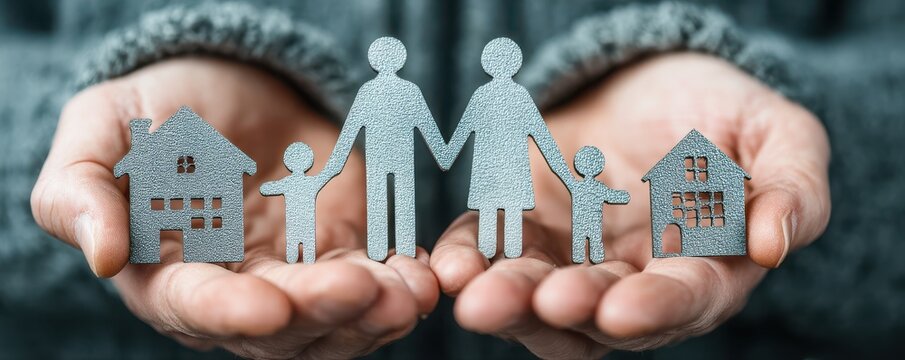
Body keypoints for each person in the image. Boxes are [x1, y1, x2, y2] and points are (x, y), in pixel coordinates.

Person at [7, 1, 903, 359]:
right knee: (410, 213)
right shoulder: (413, 103)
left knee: (503, 218)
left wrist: (820, 146)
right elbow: (405, 126)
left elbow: (470, 129)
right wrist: (53, 139)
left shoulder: (500, 107)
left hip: (519, 186)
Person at [441, 37, 575, 259]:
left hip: (493, 169)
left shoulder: (483, 95)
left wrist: (445, 156)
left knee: (492, 211)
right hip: (510, 169)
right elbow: (543, 137)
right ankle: (504, 250)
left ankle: (494, 250)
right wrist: (565, 174)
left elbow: (462, 132)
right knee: (509, 211)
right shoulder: (518, 95)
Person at [319, 36, 447, 261]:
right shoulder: (408, 90)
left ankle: (381, 248)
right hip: (400, 157)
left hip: (382, 158)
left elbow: (350, 129)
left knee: (380, 198)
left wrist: (336, 163)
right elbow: (427, 126)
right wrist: (443, 154)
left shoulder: (369, 91)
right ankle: (403, 246)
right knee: (400, 198)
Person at [260, 142, 330, 264]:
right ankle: (298, 258)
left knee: (298, 253)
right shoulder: (311, 182)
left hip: (300, 225)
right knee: (301, 253)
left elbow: (266, 188)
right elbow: (326, 174)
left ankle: (296, 258)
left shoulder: (289, 182)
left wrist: (265, 185)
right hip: (301, 225)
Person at [569, 145, 630, 264]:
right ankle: (586, 256)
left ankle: (581, 256)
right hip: (590, 222)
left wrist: (623, 196)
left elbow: (610, 195)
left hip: (583, 222)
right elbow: (610, 195)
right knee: (591, 241)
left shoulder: (577, 186)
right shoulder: (594, 187)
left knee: (583, 241)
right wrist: (623, 196)